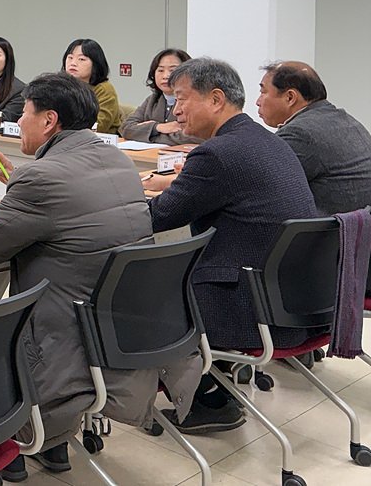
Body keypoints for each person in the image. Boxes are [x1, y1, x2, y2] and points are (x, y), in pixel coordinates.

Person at [0, 73, 153, 481]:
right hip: (115, 327)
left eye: (25, 113)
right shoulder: (118, 160)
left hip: (61, 338)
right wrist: (17, 181)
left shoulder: (42, 178)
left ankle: (11, 446)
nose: (19, 121)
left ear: (49, 120)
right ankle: (53, 446)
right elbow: (69, 209)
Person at [145, 58, 316, 434]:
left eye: (182, 98)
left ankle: (202, 395)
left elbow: (157, 218)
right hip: (292, 301)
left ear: (216, 99)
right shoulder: (266, 141)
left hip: (247, 306)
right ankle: (212, 388)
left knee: (136, 286)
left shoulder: (217, 154)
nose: (175, 110)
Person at [257, 60, 371, 216]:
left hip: (330, 229)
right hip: (359, 228)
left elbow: (258, 188)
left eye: (263, 92)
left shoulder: (299, 134)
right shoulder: (348, 121)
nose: (258, 102)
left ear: (290, 97)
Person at [120, 48, 201, 146]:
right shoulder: (153, 99)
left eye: (172, 70)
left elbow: (193, 137)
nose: (166, 76)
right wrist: (157, 127)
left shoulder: (195, 101)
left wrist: (147, 134)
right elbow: (126, 129)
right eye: (161, 70)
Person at [61, 38, 122, 134]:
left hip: (98, 140)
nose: (73, 63)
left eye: (81, 59)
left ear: (95, 64)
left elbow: (100, 125)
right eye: (70, 57)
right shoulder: (60, 87)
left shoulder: (104, 89)